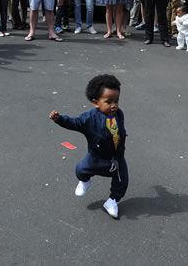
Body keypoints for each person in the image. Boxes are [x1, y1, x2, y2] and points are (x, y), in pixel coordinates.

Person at [49, 74, 128, 219]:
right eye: (109, 101)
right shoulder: (89, 118)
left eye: (116, 101)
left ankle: (112, 201)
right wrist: (60, 119)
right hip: (97, 156)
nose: (114, 105)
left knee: (122, 180)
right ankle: (85, 181)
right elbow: (74, 123)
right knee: (81, 169)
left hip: (116, 157)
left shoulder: (118, 114)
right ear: (96, 102)